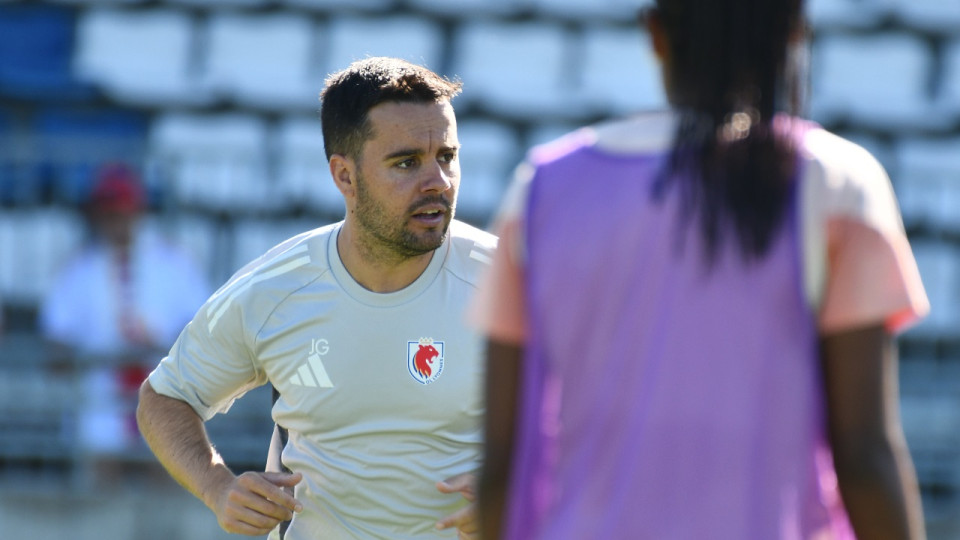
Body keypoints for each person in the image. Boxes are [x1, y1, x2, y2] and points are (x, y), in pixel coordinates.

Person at [475, 1, 929, 539]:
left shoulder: (542, 188)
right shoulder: (837, 183)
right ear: (794, 33)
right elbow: (863, 455)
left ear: (655, 32)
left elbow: (502, 460)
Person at [137, 57, 496, 539]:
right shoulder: (276, 289)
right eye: (406, 162)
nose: (439, 181)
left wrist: (524, 487)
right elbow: (165, 397)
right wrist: (216, 487)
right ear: (345, 176)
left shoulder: (509, 284)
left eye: (447, 157)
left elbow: (589, 409)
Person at [40, 162, 210, 456]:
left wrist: (161, 347)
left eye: (121, 209)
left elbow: (206, 329)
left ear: (138, 209)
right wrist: (95, 357)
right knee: (100, 461)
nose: (115, 218)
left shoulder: (175, 262)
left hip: (165, 390)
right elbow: (56, 341)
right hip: (100, 398)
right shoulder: (77, 269)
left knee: (170, 462)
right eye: (108, 211)